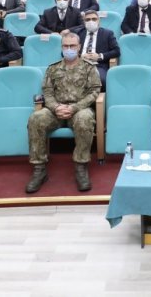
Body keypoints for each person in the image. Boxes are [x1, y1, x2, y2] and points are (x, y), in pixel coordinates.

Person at [26, 33, 101, 193]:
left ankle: (81, 166)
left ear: (79, 47)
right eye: (66, 46)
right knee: (36, 118)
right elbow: (47, 92)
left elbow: (94, 92)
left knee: (85, 119)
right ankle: (39, 169)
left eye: (72, 46)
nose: (69, 49)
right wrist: (55, 107)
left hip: (79, 109)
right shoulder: (53, 68)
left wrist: (74, 108)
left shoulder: (89, 67)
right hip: (56, 110)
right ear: (61, 47)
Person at [73, 10, 119, 87]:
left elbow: (116, 51)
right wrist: (80, 56)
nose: (91, 21)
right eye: (87, 20)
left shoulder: (107, 33)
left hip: (98, 66)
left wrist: (99, 56)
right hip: (78, 64)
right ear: (84, 22)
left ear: (99, 21)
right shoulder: (77, 33)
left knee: (100, 79)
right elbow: (66, 50)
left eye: (94, 19)